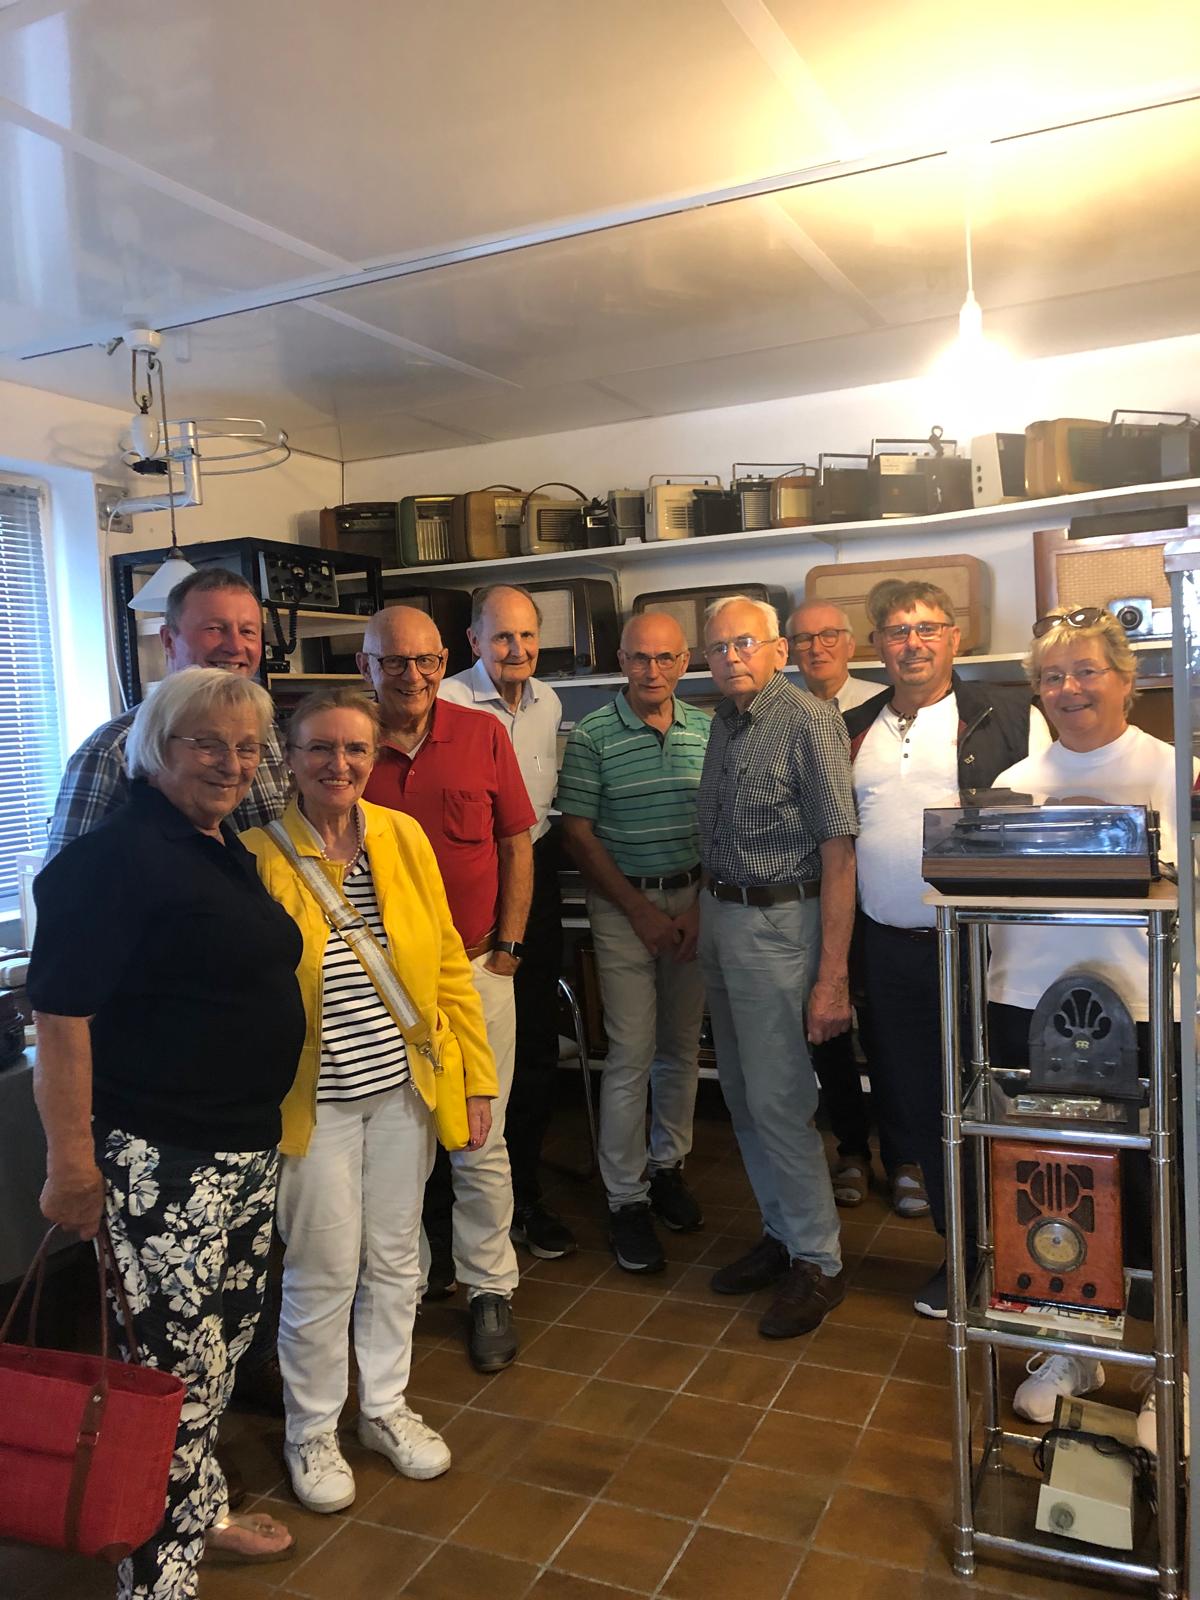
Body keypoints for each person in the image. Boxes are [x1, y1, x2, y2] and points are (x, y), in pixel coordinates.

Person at [27, 668, 304, 1596]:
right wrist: (71, 1165)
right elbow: (61, 1020)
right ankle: (156, 1577)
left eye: (246, 748)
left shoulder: (216, 844)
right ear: (154, 749)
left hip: (240, 1148)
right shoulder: (112, 859)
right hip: (163, 1159)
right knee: (171, 1376)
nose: (230, 763)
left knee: (216, 1357)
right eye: (206, 744)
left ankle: (199, 1514)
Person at [241, 687, 497, 1513]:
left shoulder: (401, 835)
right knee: (321, 1270)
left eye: (355, 749)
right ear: (290, 758)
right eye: (320, 748)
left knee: (396, 1260)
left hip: (403, 1093)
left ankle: (384, 1405)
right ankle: (311, 1429)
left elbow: (448, 964)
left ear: (374, 756)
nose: (339, 764)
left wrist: (476, 1078)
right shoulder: (255, 855)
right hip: (312, 1105)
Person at [984, 607, 1191, 1438]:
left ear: (1125, 680)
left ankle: (1171, 1371)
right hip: (1025, 1007)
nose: (1068, 689)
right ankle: (1074, 1346)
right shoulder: (1015, 783)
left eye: (1085, 671)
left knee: (1157, 1191)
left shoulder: (1174, 770)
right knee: (1055, 1183)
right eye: (1052, 676)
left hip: (1141, 1010)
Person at [842, 579, 1050, 1318]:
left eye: (928, 627)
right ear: (878, 645)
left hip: (987, 949)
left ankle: (1024, 1255)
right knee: (920, 1102)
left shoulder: (1010, 714)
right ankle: (959, 1251)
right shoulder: (855, 726)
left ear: (954, 637)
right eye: (898, 630)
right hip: (891, 950)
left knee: (997, 1098)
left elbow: (1044, 822)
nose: (913, 643)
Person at [358, 605, 534, 1373]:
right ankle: (404, 1285)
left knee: (479, 1137)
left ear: (445, 661)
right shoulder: (345, 745)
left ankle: (490, 1286)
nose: (414, 676)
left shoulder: (483, 734)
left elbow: (515, 843)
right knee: (397, 1145)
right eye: (394, 662)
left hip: (475, 969)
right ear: (366, 666)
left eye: (426, 661)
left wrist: (510, 948)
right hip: (378, 989)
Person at [696, 594, 858, 1340]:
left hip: (781, 925)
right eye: (719, 646)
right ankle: (783, 1233)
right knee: (740, 1092)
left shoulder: (808, 721)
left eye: (745, 643)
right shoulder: (724, 723)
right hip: (722, 917)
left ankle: (819, 1261)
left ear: (777, 651)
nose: (731, 656)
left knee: (781, 1099)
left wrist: (833, 977)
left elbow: (838, 853)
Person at [558, 611, 712, 1272]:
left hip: (694, 904)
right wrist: (640, 911)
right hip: (624, 908)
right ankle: (626, 1198)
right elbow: (577, 832)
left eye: (666, 657)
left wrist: (699, 906)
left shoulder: (708, 729)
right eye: (640, 658)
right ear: (621, 660)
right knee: (630, 1053)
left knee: (680, 1049)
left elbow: (720, 822)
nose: (653, 670)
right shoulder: (593, 733)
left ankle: (667, 1167)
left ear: (685, 661)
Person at [439, 584, 575, 1260]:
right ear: (473, 641)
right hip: (464, 879)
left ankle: (526, 1195)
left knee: (535, 1044)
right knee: (457, 1050)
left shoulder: (549, 701)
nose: (516, 649)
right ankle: (446, 1217)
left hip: (533, 872)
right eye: (501, 637)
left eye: (526, 636)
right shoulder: (445, 701)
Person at [45, 568, 288, 858]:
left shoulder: (268, 733)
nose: (235, 646)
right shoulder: (113, 749)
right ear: (169, 641)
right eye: (214, 629)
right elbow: (68, 876)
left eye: (247, 631)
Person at [786, 600, 883, 1210]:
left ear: (851, 643)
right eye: (803, 639)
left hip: (883, 896)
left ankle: (905, 1155)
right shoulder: (786, 712)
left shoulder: (883, 705)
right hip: (817, 898)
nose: (816, 648)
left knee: (888, 1033)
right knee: (828, 1027)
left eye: (828, 636)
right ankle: (851, 1149)